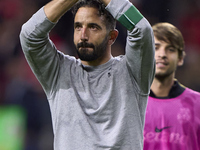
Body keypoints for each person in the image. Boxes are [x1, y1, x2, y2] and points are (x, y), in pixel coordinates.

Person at [20, 0, 155, 149]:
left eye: (93, 27)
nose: (83, 35)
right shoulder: (58, 72)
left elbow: (141, 29)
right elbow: (29, 34)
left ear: (112, 36)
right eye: (78, 27)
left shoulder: (133, 72)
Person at [143, 22, 200, 150]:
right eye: (156, 47)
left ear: (180, 58)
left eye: (170, 49)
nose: (162, 54)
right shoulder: (131, 103)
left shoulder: (198, 104)